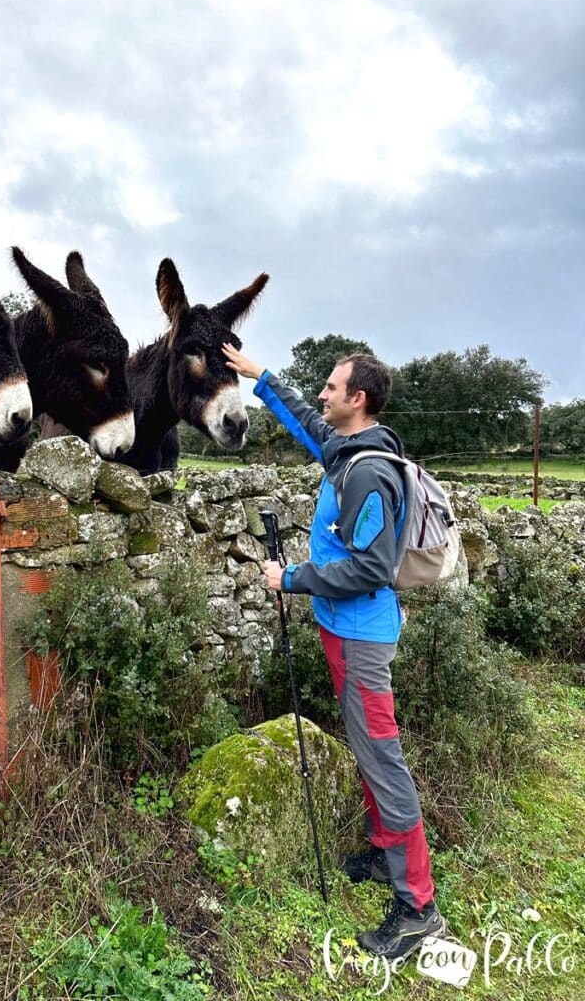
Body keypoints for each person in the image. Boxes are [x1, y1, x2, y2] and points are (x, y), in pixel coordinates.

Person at [222, 342, 446, 961]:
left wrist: (291, 579)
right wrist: (259, 375)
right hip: (346, 633)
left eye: (331, 386)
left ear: (359, 399)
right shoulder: (347, 452)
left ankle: (419, 907)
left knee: (381, 757)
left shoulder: (368, 472)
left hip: (362, 638)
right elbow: (305, 420)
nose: (322, 394)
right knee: (369, 748)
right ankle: (384, 852)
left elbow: (371, 569)